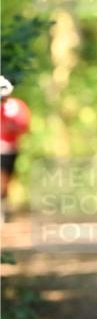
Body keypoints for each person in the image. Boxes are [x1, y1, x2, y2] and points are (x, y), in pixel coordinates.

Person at [0, 76, 31, 221]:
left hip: (9, 149)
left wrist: (10, 126)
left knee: (6, 178)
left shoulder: (17, 106)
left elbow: (24, 126)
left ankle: (3, 205)